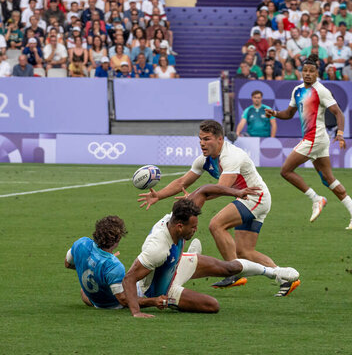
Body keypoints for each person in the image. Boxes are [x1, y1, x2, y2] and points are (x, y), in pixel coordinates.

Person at [137, 121, 300, 296]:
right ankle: (284, 277)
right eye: (200, 139)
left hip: (255, 197)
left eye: (207, 139)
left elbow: (221, 188)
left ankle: (233, 272)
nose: (202, 143)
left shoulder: (231, 156)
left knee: (216, 224)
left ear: (220, 139)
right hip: (249, 198)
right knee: (245, 251)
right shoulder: (204, 160)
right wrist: (158, 195)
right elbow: (181, 182)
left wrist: (193, 198)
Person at [123, 199, 300, 318]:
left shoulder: (174, 217)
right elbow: (129, 278)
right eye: (192, 228)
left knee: (229, 268)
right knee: (212, 306)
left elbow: (204, 191)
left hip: (175, 265)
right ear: (179, 226)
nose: (195, 230)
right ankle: (190, 259)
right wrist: (137, 311)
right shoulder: (157, 248)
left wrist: (236, 194)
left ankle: (275, 273)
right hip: (163, 289)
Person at [265, 54, 352, 230]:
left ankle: (316, 198)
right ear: (301, 72)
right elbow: (288, 114)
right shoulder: (297, 91)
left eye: (311, 71)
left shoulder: (321, 91)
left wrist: (340, 133)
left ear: (317, 73)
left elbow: (338, 113)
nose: (308, 74)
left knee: (285, 170)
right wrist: (274, 113)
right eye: (305, 71)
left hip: (315, 138)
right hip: (315, 140)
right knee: (328, 179)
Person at [64, 215, 167, 311]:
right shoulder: (113, 266)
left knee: (84, 291)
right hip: (114, 305)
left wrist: (92, 268)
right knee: (150, 265)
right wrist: (153, 301)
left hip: (94, 300)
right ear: (118, 239)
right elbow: (123, 300)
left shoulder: (81, 243)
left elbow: (67, 264)